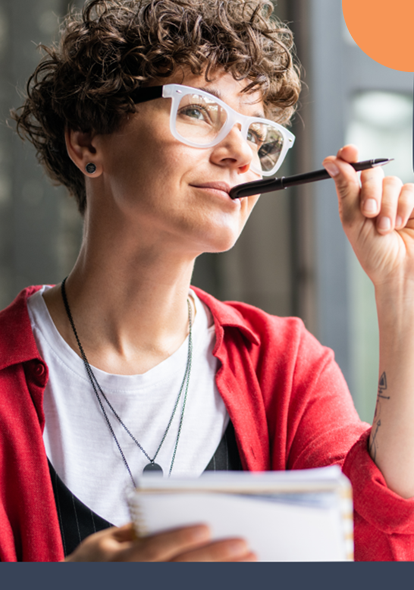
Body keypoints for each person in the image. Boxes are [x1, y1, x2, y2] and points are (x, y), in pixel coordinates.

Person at [1, 0, 414, 562]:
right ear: (87, 141)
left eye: (258, 133)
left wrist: (402, 303)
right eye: (198, 111)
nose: (242, 154)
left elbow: (378, 553)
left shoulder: (286, 368)